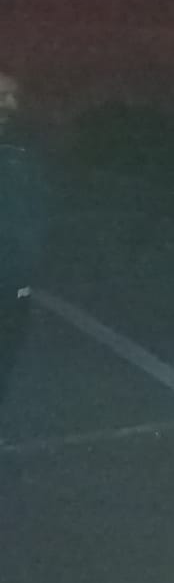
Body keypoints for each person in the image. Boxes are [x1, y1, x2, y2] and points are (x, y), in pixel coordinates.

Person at [0, 71, 47, 400]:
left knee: (6, 355)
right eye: (2, 96)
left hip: (13, 281)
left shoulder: (21, 148)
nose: (11, 104)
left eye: (14, 96)